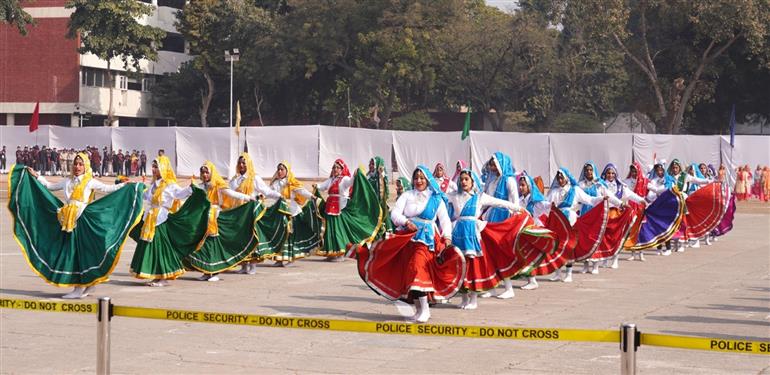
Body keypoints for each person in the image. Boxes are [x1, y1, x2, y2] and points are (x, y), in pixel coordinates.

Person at [9, 153, 143, 298]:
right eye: (75, 164)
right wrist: (36, 176)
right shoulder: (67, 181)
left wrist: (126, 185)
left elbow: (107, 189)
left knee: (80, 253)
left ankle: (81, 287)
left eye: (80, 164)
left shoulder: (90, 181)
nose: (77, 167)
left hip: (83, 222)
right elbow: (49, 186)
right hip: (68, 221)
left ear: (85, 166)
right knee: (75, 253)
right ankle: (84, 285)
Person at [351, 165, 465, 323]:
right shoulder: (407, 195)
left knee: (418, 268)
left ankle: (425, 309)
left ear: (427, 180)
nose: (418, 181)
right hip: (407, 238)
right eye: (416, 178)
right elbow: (395, 213)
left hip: (426, 240)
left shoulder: (436, 198)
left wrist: (447, 237)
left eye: (422, 178)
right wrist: (406, 221)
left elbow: (444, 220)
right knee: (409, 271)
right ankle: (419, 310)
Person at [448, 169, 530, 308]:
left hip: (473, 233)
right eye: (461, 179)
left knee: (473, 267)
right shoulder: (453, 196)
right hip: (458, 233)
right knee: (460, 266)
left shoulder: (480, 197)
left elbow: (500, 202)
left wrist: (518, 209)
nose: (463, 182)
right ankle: (464, 298)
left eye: (466, 179)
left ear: (472, 181)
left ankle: (473, 299)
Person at [129, 156, 211, 287]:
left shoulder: (170, 185)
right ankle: (156, 276)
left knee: (160, 249)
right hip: (150, 219)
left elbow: (180, 194)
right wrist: (134, 187)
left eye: (157, 167)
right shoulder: (154, 185)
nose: (154, 169)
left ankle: (164, 277)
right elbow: (145, 196)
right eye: (153, 166)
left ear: (164, 168)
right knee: (152, 248)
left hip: (161, 219)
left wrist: (192, 189)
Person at [183, 161, 256, 281]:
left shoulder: (218, 185)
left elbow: (232, 193)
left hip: (214, 218)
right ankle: (206, 272)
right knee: (203, 246)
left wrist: (247, 198)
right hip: (202, 219)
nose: (205, 174)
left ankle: (215, 273)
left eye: (207, 172)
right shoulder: (200, 186)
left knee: (212, 246)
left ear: (211, 173)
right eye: (203, 172)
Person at [546, 167, 607, 282]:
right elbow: (546, 204)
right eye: (558, 177)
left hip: (570, 219)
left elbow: (590, 200)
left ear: (567, 178)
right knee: (556, 247)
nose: (560, 179)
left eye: (562, 177)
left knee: (569, 246)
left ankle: (568, 274)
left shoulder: (575, 190)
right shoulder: (554, 191)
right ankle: (558, 273)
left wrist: (602, 198)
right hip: (557, 220)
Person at [315, 159, 383, 260]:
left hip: (340, 207)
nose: (335, 169)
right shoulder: (331, 180)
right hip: (329, 208)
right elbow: (322, 187)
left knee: (337, 231)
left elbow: (352, 182)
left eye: (338, 167)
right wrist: (316, 186)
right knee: (330, 230)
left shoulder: (344, 179)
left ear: (342, 169)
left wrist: (357, 173)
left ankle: (340, 252)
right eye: (334, 167)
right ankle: (331, 252)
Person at [227, 153, 284, 273]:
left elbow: (266, 191)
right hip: (238, 213)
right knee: (240, 239)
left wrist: (279, 196)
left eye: (244, 163)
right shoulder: (234, 179)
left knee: (252, 237)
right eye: (240, 163)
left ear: (248, 164)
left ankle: (252, 265)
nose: (241, 165)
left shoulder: (254, 178)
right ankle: (243, 265)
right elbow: (230, 194)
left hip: (250, 212)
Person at [268, 161, 322, 266]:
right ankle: (279, 259)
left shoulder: (291, 182)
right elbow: (268, 192)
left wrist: (312, 197)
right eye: (278, 169)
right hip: (279, 212)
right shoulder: (275, 183)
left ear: (287, 171)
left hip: (292, 213)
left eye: (282, 169)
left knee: (290, 236)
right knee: (280, 235)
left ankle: (290, 259)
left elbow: (302, 191)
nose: (279, 171)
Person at [481, 152, 520, 223]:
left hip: (506, 215)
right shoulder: (493, 182)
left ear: (501, 165)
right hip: (492, 215)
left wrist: (515, 217)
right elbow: (488, 199)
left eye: (494, 165)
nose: (491, 167)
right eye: (491, 165)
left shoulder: (509, 180)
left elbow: (515, 200)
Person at [367, 156, 393, 239]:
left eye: (372, 164)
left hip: (378, 205)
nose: (370, 166)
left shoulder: (379, 177)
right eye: (370, 164)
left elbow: (383, 188)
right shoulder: (369, 176)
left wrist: (381, 173)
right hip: (369, 204)